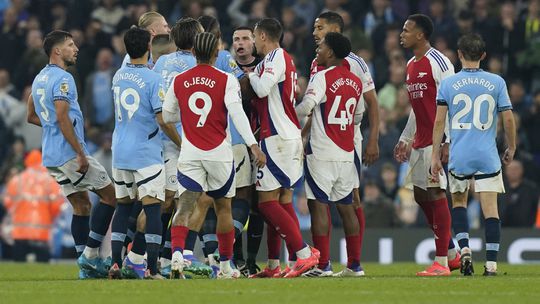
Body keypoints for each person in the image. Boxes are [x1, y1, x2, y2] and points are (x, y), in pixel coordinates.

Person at [163, 32, 266, 279]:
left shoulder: (179, 79)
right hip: (219, 153)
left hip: (190, 152)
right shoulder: (226, 79)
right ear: (215, 53)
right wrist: (253, 145)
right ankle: (226, 266)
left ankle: (177, 255)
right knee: (223, 209)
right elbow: (237, 114)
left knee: (185, 205)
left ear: (194, 53)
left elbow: (167, 116)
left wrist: (186, 117)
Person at [27, 30, 117, 279]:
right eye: (70, 44)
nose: (76, 48)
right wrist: (80, 153)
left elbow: (32, 115)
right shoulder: (63, 79)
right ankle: (90, 255)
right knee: (111, 196)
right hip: (69, 154)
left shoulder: (39, 79)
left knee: (82, 205)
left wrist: (54, 131)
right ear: (57, 51)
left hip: (51, 155)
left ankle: (84, 267)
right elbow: (61, 116)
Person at [432, 33, 516, 276]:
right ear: (483, 56)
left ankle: (465, 250)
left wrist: (436, 155)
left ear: (459, 55)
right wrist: (511, 147)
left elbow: (439, 122)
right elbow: (508, 118)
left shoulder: (448, 84)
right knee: (491, 209)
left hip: (460, 155)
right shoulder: (497, 82)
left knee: (459, 203)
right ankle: (491, 265)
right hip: (487, 154)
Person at [307, 11, 380, 276]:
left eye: (320, 27)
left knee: (351, 199)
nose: (315, 32)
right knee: (337, 200)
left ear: (335, 29)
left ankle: (352, 262)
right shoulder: (317, 61)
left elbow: (372, 102)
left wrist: (373, 139)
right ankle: (336, 264)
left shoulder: (356, 63)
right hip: (324, 134)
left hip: (350, 135)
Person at [247, 18, 319, 278]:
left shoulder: (276, 57)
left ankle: (302, 252)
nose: (253, 42)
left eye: (254, 36)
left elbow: (263, 89)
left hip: (277, 137)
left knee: (266, 204)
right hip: (285, 136)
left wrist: (250, 75)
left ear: (263, 36)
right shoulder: (280, 60)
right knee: (282, 200)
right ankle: (275, 265)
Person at [106, 27, 180, 280]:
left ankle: (116, 263)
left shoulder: (118, 75)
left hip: (120, 151)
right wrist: (180, 142)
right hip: (146, 152)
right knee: (152, 210)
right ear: (149, 48)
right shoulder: (153, 79)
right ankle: (152, 268)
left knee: (123, 207)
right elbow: (162, 120)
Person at [393, 14, 459, 276]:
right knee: (421, 195)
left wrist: (448, 141)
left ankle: (441, 261)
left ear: (420, 34)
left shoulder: (440, 62)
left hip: (436, 139)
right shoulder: (411, 64)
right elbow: (416, 108)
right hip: (420, 139)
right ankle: (452, 253)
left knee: (435, 193)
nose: (402, 34)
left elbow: (452, 103)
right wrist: (405, 137)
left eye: (406, 30)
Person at [296, 32, 364, 277]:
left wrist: (285, 116)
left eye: (322, 47)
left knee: (318, 208)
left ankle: (323, 265)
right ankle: (355, 266)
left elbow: (306, 107)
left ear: (332, 52)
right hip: (346, 154)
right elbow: (357, 116)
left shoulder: (321, 77)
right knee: (347, 208)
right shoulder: (355, 81)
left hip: (322, 152)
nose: (318, 50)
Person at [152, 17, 211, 278]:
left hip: (159, 141)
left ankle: (166, 255)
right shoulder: (196, 66)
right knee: (180, 201)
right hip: (184, 141)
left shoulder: (161, 62)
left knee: (170, 201)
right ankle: (162, 256)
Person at [232, 25, 265, 276]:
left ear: (254, 42)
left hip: (262, 142)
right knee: (234, 200)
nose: (240, 43)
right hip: (234, 143)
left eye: (245, 38)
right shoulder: (225, 66)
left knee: (258, 203)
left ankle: (252, 260)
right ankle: (237, 259)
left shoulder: (267, 65)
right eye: (236, 39)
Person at [4, 150, 64, 262]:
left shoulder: (17, 179)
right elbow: (57, 204)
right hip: (42, 232)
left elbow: (8, 202)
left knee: (18, 269)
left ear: (27, 162)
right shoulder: (49, 181)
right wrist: (49, 217)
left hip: (20, 232)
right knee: (43, 269)